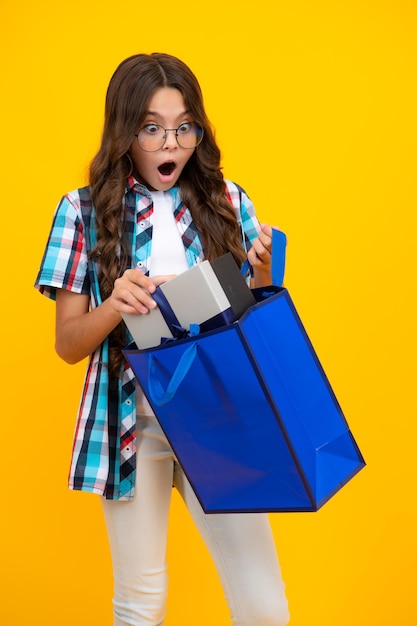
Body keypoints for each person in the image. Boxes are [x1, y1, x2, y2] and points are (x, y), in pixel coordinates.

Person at [35, 52, 290, 626]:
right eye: (151, 128)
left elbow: (256, 327)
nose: (170, 143)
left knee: (264, 606)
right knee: (140, 605)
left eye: (183, 127)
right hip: (131, 428)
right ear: (125, 132)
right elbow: (68, 343)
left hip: (218, 420)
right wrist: (114, 307)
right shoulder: (81, 212)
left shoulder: (229, 201)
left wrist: (266, 278)